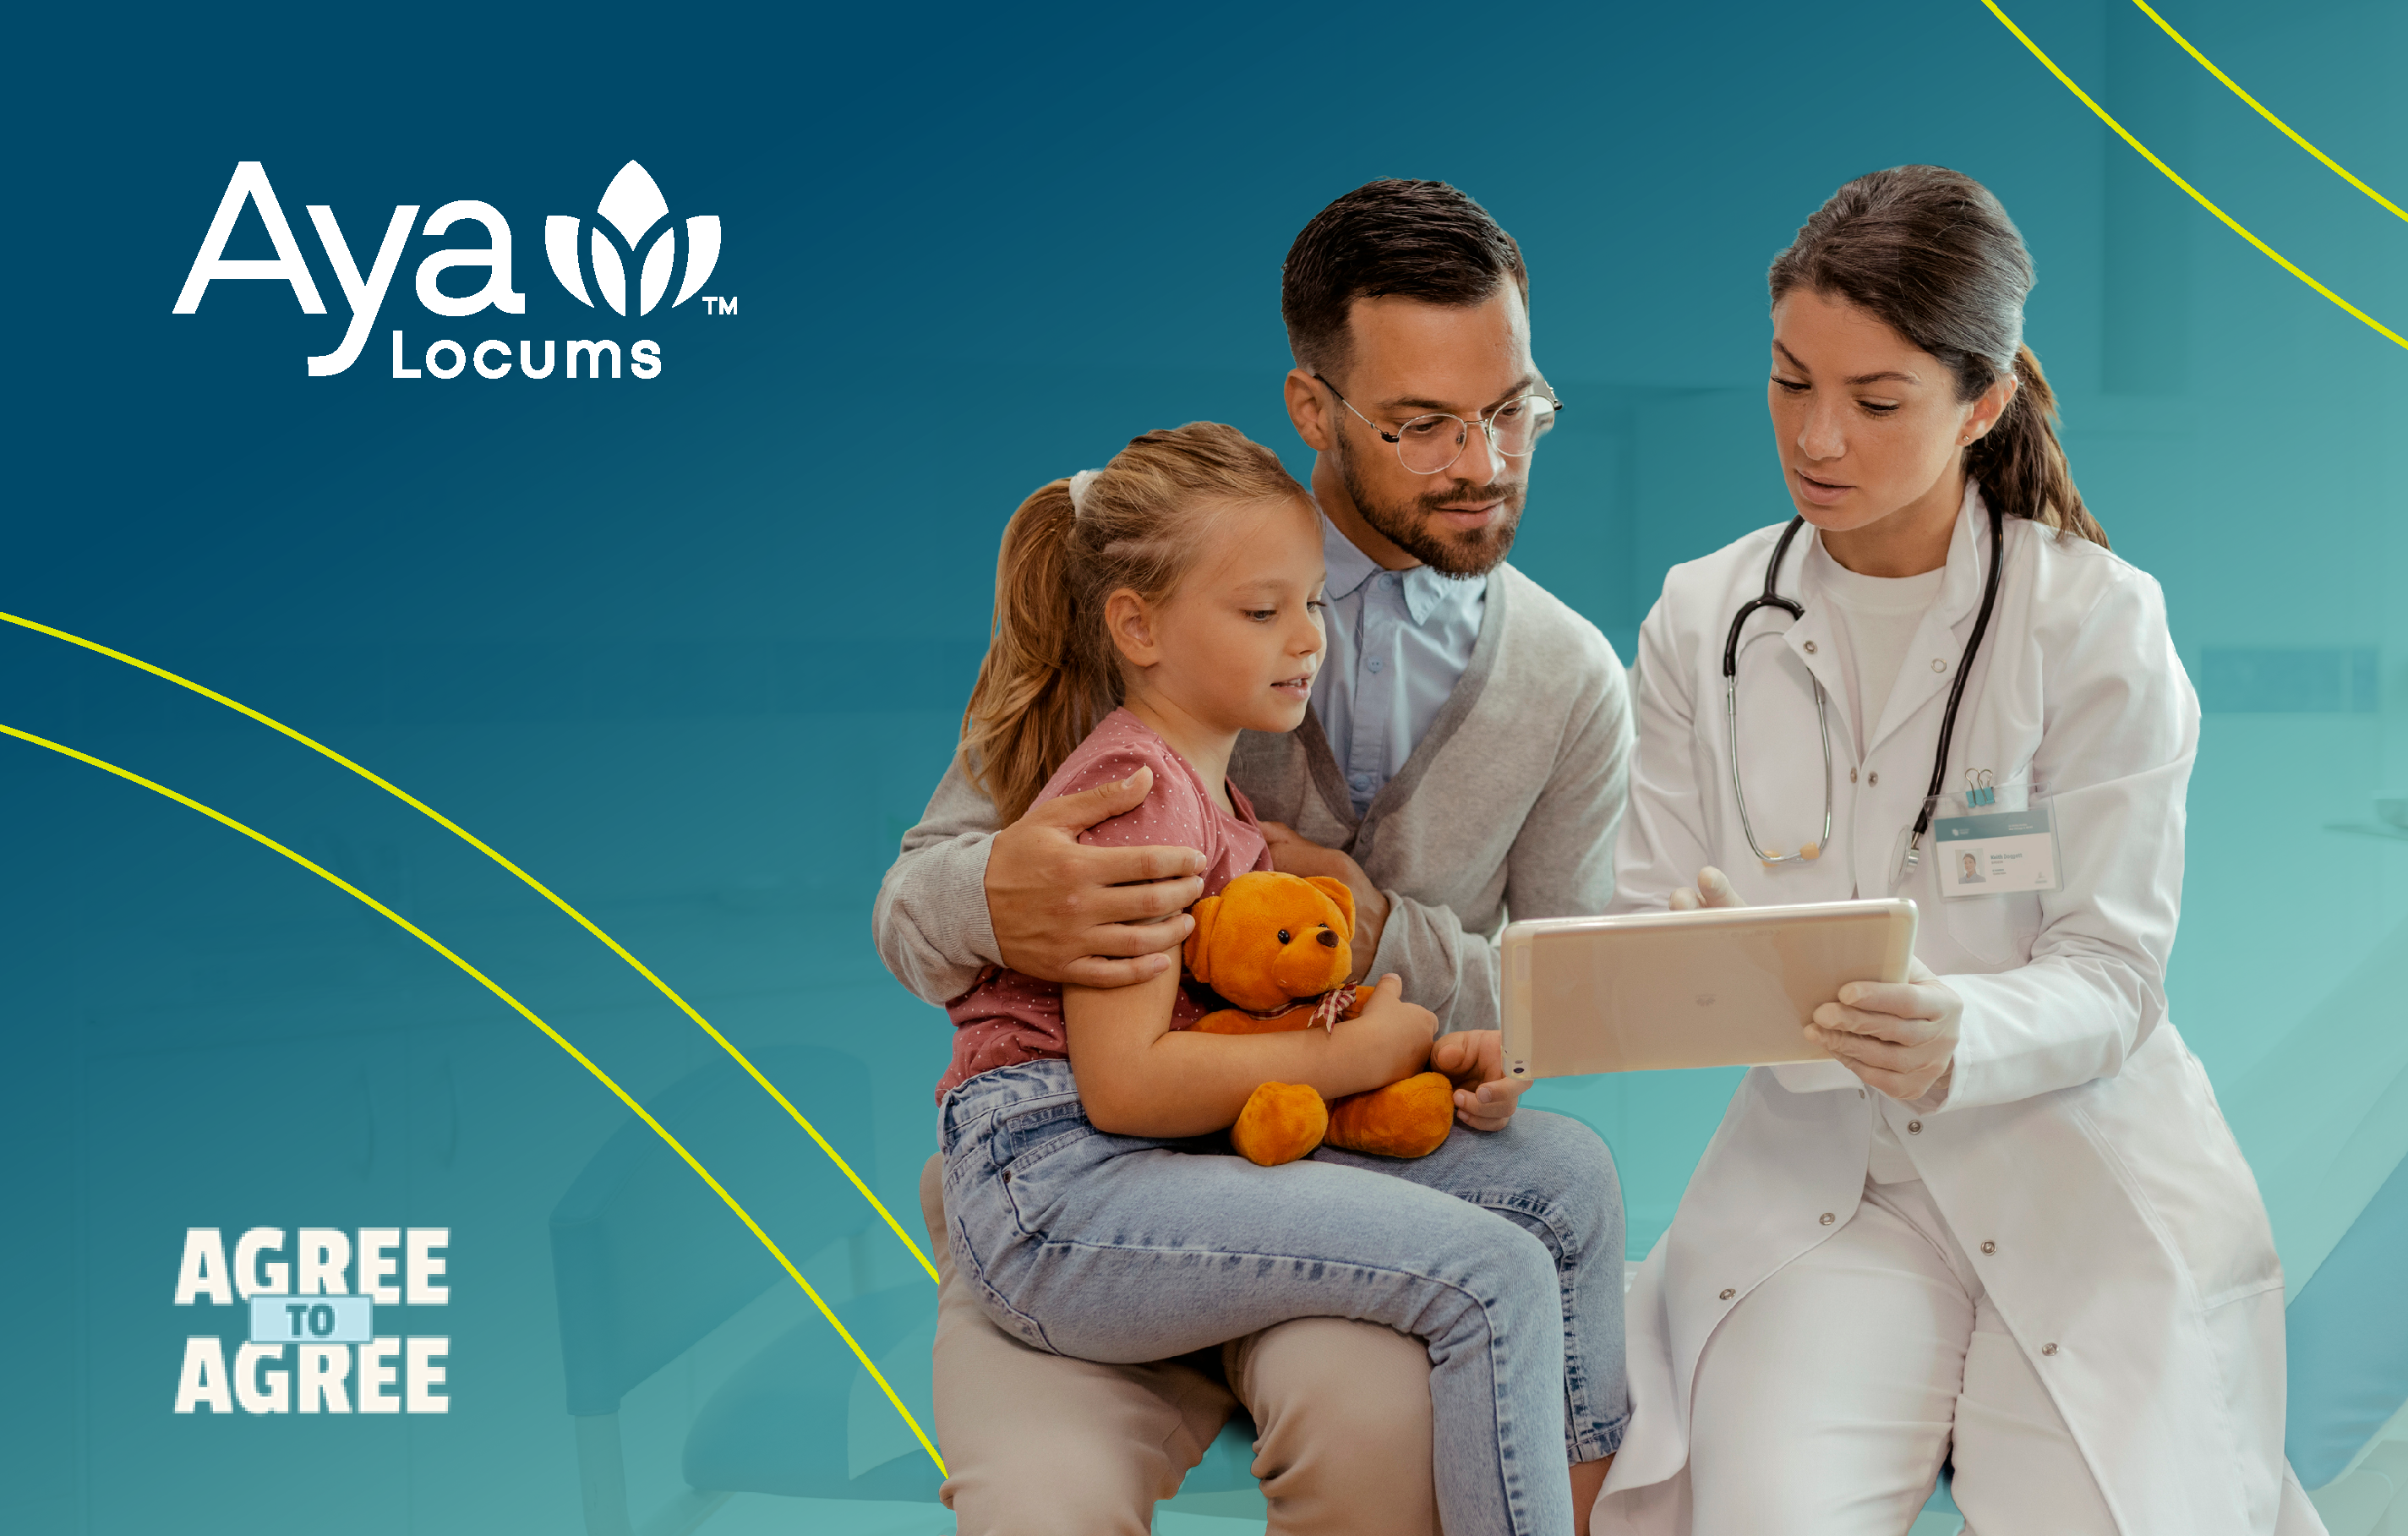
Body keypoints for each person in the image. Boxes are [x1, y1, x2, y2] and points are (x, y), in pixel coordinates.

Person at [876, 180, 1634, 1534]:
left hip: (1328, 1162)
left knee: (1456, 1332)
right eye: (1422, 423)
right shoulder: (1150, 594)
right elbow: (926, 906)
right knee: (1048, 1501)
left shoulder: (1572, 679)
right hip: (1094, 1175)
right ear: (1314, 408)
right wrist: (998, 895)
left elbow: (1561, 993)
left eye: (1515, 409)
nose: (1483, 461)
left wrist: (1388, 954)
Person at [1592, 167, 2324, 1536]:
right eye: (1790, 381)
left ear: (1981, 404)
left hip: (2075, 1175)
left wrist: (1960, 1033)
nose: (1817, 437)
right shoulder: (1706, 616)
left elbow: (2114, 972)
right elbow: (1646, 918)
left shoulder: (2092, 623)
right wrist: (1692, 961)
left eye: (1877, 403)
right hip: (1830, 1188)